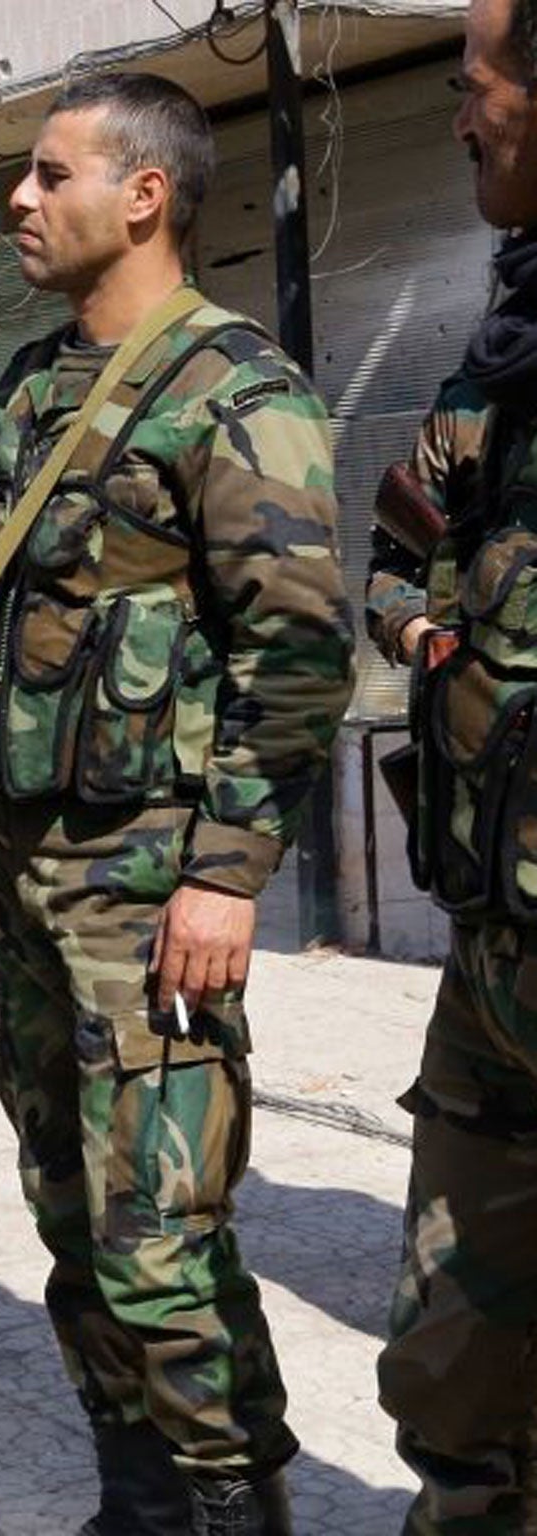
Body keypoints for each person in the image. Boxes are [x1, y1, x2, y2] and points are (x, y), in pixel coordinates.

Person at [0, 75, 354, 1535]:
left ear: (144, 195)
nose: (20, 203)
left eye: (49, 177)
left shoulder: (239, 391)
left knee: (161, 1227)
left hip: (156, 892)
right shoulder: (32, 387)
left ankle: (233, 1503)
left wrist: (228, 877)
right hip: (31, 870)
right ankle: (139, 1492)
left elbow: (297, 652)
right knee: (68, 1210)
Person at [369, 3, 537, 1529]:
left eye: (474, 82)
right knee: (457, 1364)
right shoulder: (502, 354)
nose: (462, 113)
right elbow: (394, 530)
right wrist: (424, 619)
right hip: (494, 951)